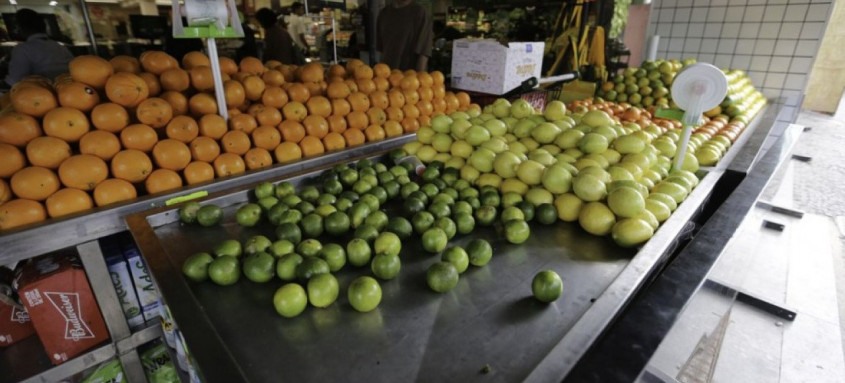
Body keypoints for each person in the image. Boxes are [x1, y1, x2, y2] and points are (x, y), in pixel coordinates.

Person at [4, 8, 74, 86]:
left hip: (38, 94)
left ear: (21, 28)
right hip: (67, 90)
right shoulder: (60, 47)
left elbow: (15, 81)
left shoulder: (22, 49)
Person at [376, 0, 433, 72]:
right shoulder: (383, 14)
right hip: (387, 77)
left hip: (410, 78)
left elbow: (423, 51)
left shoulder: (420, 12)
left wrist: (419, 78)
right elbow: (382, 51)